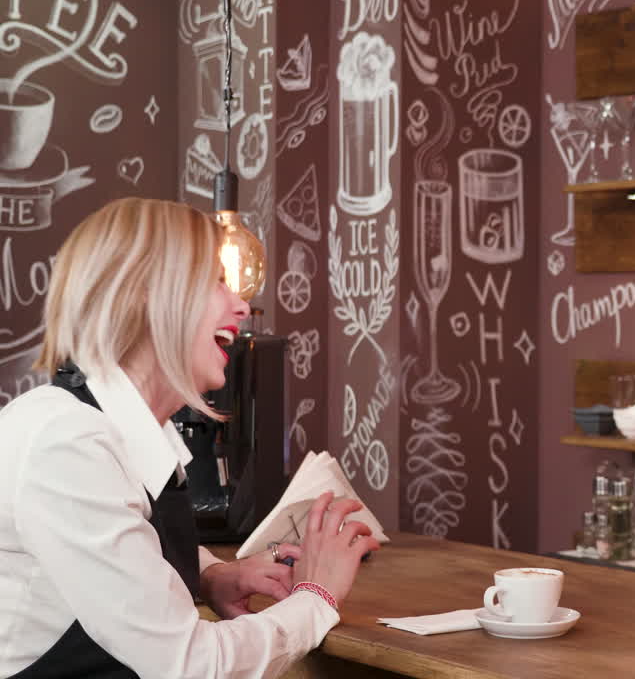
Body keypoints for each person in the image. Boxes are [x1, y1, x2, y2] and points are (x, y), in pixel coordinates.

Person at [0, 197, 380, 678]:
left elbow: (118, 541)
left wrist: (210, 575)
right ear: (145, 294)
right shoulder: (66, 444)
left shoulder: (121, 432)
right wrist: (316, 597)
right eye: (216, 282)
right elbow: (190, 666)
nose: (242, 306)